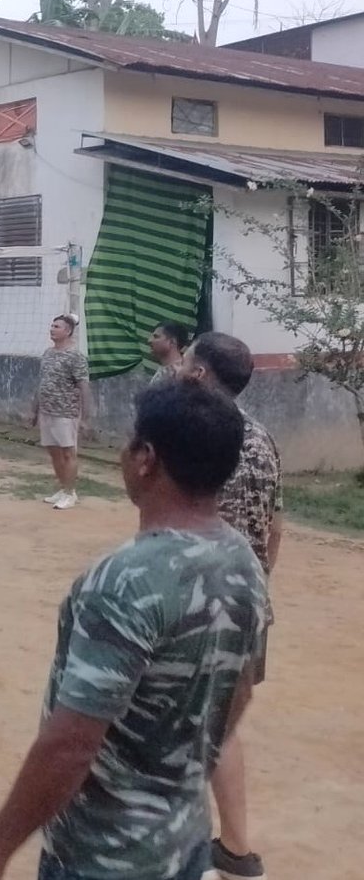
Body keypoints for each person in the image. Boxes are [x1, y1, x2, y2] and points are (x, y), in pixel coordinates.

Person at [0, 381, 268, 880]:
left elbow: (71, 743)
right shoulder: (242, 560)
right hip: (185, 839)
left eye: (129, 440)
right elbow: (240, 690)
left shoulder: (125, 580)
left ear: (146, 458)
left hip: (106, 857)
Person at [179, 333, 283, 880]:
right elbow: (276, 526)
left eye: (186, 360)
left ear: (199, 375)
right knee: (220, 724)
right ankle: (236, 851)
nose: (178, 366)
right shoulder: (264, 436)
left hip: (200, 605)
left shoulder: (195, 434)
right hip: (249, 603)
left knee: (177, 722)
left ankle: (176, 848)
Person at [31, 314, 92, 511]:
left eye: (56, 326)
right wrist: (34, 410)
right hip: (47, 410)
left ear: (67, 331)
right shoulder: (48, 353)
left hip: (66, 412)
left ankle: (70, 493)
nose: (52, 329)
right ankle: (62, 487)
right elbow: (41, 383)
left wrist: (86, 417)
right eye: (51, 325)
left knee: (68, 452)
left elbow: (84, 386)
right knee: (53, 451)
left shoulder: (75, 356)